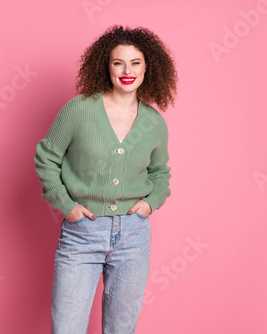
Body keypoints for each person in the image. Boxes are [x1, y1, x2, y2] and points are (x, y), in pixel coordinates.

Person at [34, 25, 177, 334]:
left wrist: (149, 205)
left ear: (147, 67)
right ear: (106, 66)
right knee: (67, 328)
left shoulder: (154, 123)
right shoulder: (80, 110)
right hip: (82, 233)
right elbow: (47, 158)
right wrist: (66, 205)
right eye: (118, 63)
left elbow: (160, 173)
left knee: (121, 329)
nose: (127, 71)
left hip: (133, 235)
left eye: (135, 63)